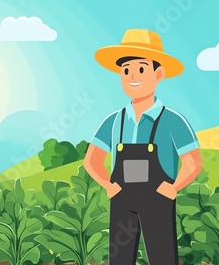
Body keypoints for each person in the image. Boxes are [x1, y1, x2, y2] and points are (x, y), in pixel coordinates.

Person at [83, 29, 203, 264]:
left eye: (140, 69)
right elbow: (92, 160)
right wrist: (108, 186)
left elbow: (193, 162)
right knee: (119, 259)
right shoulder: (114, 121)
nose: (132, 76)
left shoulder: (173, 121)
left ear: (158, 73)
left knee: (162, 257)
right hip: (121, 199)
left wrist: (174, 187)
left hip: (158, 198)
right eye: (126, 70)